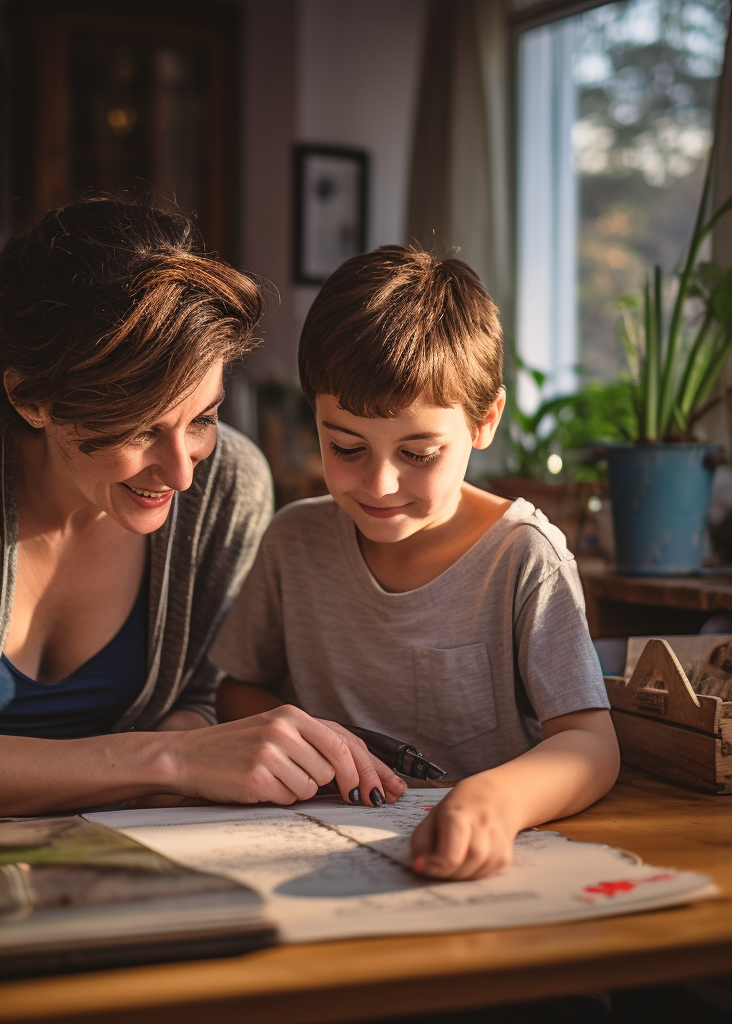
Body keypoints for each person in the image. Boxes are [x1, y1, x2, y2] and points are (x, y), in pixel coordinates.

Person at [0, 197, 400, 823]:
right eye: (139, 429)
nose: (182, 472)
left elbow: (197, 699)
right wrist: (168, 761)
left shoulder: (230, 483)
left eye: (203, 418)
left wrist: (193, 752)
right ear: (31, 398)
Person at [212, 246, 620, 880]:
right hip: (307, 847)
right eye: (345, 446)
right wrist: (301, 739)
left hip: (472, 863)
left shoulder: (522, 557)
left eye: (419, 453)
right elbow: (238, 689)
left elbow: (592, 745)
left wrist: (493, 800)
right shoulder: (294, 541)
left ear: (485, 421)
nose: (378, 483)